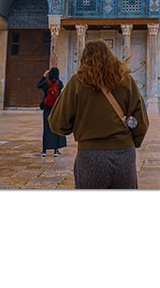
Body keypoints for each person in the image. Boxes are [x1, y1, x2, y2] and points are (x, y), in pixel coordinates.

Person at [48, 40, 148, 188]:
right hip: (124, 156)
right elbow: (142, 122)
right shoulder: (126, 80)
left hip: (90, 157)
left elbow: (57, 123)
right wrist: (131, 142)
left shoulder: (77, 82)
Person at [37, 66, 67, 157]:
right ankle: (56, 150)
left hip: (47, 108)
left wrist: (43, 76)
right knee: (55, 128)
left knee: (46, 128)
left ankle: (44, 150)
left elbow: (38, 85)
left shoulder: (46, 83)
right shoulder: (59, 84)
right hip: (56, 108)